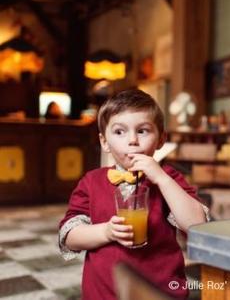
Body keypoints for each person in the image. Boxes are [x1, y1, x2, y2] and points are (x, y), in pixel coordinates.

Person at [58, 89, 209, 300]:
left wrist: (162, 179)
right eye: (119, 132)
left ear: (161, 139)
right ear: (104, 142)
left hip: (159, 291)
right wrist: (106, 232)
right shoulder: (91, 182)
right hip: (102, 293)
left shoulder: (169, 178)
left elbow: (197, 225)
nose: (132, 141)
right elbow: (70, 237)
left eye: (143, 131)